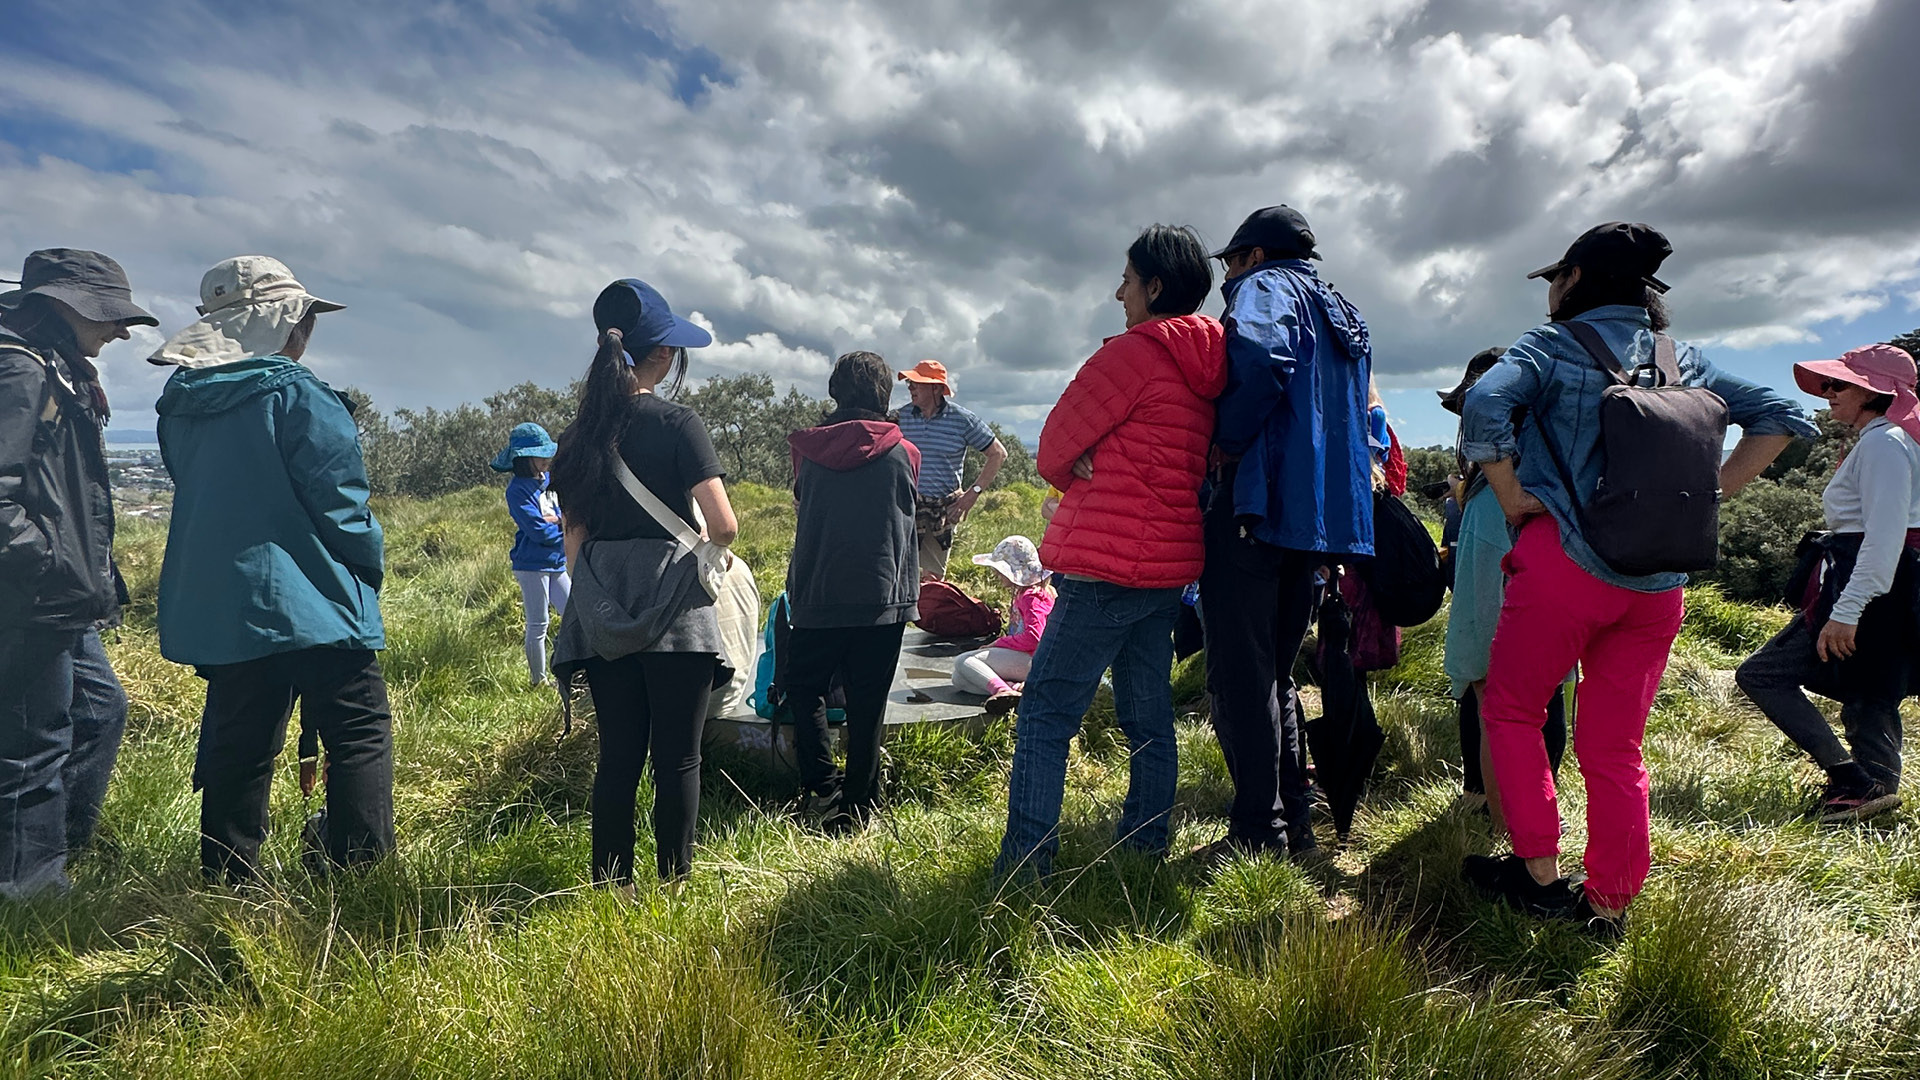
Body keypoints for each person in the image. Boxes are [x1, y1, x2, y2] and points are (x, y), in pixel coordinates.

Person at [1460, 222, 1814, 934]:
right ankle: (1611, 898)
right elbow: (1784, 417)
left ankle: (1537, 873)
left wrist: (1506, 491)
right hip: (1659, 582)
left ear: (1578, 278)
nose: (1552, 290)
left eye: (1556, 277)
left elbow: (1483, 403)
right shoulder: (1685, 360)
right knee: (1615, 744)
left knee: (1512, 710)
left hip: (1564, 563)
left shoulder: (1550, 346)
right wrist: (1711, 492)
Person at [151, 255, 395, 883]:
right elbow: (342, 506)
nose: (308, 330)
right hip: (314, 599)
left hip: (222, 608)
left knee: (241, 743)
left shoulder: (177, 405)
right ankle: (360, 877)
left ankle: (232, 886)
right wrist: (369, 569)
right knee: (359, 729)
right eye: (304, 317)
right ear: (282, 323)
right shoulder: (297, 394)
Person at [995, 224, 1225, 880]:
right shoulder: (1215, 364)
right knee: (1148, 716)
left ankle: (1027, 867)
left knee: (1045, 714)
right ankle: (1147, 846)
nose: (1117, 291)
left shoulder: (1129, 356)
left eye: (1127, 279)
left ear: (1155, 286)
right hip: (1167, 570)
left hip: (1101, 567)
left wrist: (1091, 469)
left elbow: (1052, 453)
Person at [1197, 204, 1374, 862]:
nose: (1226, 282)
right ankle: (1293, 824)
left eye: (1229, 265)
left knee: (1240, 678)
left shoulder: (1265, 289)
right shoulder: (1342, 311)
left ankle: (1258, 835)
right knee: (1273, 674)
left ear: (1253, 256)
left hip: (1254, 503)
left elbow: (1261, 356)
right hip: (1315, 523)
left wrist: (1225, 440)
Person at [548, 278, 736, 886]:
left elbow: (572, 544)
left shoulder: (576, 438)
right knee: (678, 757)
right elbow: (724, 525)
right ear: (663, 354)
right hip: (676, 607)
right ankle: (673, 883)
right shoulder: (679, 423)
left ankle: (611, 884)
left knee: (618, 758)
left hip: (604, 605)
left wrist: (603, 598)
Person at [0, 248, 155, 897]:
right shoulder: (19, 368)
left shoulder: (52, 366)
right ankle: (29, 898)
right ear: (65, 303)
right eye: (109, 315)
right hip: (29, 594)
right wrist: (52, 564)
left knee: (99, 709)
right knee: (33, 745)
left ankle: (58, 856)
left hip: (55, 593)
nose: (120, 331)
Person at [1736, 344, 1920, 823]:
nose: (1827, 393)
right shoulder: (1889, 439)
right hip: (1887, 581)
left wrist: (1846, 610)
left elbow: (1884, 539)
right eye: (1828, 384)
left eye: (1838, 384)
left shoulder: (1885, 444)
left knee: (1763, 674)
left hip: (1874, 580)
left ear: (1874, 391)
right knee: (1872, 685)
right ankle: (1872, 793)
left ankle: (1853, 780)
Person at [785, 351, 922, 833]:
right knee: (869, 703)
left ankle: (821, 790)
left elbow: (804, 502)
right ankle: (862, 806)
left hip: (818, 591)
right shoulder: (906, 452)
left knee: (805, 690)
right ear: (884, 395)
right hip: (883, 597)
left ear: (835, 392)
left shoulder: (806, 450)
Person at [1436, 347, 1569, 814]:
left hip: (1501, 631)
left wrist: (1474, 653)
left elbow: (1484, 591)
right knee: (1546, 695)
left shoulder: (1496, 494)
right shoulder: (1536, 473)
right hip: (1547, 620)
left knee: (1495, 700)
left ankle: (1506, 814)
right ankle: (1527, 805)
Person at [895, 359, 1008, 580]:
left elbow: (998, 454)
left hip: (941, 511)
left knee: (933, 579)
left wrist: (972, 494)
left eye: (916, 383)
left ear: (936, 388)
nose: (910, 387)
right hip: (905, 508)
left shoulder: (963, 420)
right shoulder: (900, 418)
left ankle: (928, 614)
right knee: (900, 575)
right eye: (910, 383)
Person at [491, 423, 570, 687]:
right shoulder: (517, 490)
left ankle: (571, 671)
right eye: (541, 455)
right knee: (539, 624)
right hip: (531, 565)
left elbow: (561, 516)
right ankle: (539, 681)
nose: (547, 459)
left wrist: (555, 520)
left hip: (557, 563)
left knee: (574, 614)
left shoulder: (549, 481)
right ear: (526, 459)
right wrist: (564, 527)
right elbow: (539, 532)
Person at [950, 535, 1055, 715]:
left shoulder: (1032, 597)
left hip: (1034, 660)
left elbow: (1034, 637)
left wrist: (997, 644)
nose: (996, 574)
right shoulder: (1025, 593)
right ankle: (1014, 690)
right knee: (959, 679)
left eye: (1000, 570)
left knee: (964, 660)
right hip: (1026, 658)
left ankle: (1003, 691)